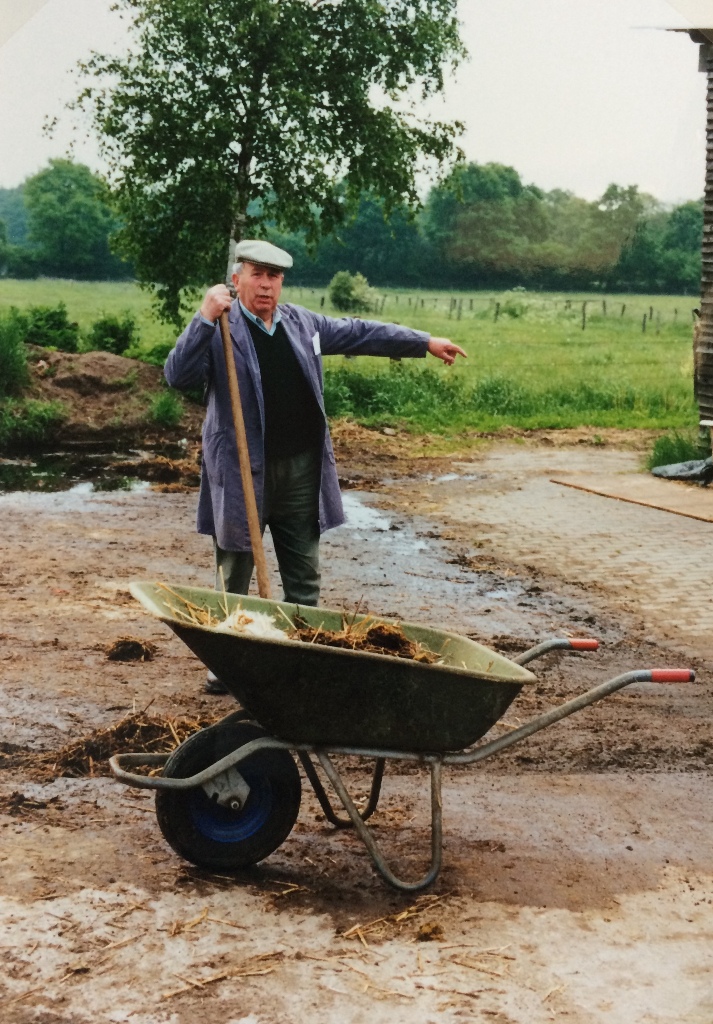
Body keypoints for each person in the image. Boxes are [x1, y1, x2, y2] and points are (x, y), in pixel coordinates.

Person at [164, 239, 466, 692]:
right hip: (244, 469)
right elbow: (177, 375)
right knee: (236, 571)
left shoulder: (304, 325)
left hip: (302, 471)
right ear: (237, 279)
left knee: (304, 573)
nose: (266, 285)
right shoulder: (222, 328)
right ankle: (228, 662)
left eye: (274, 276)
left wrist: (423, 342)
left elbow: (362, 333)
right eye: (256, 274)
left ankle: (299, 655)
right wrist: (203, 318)